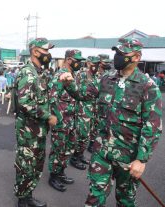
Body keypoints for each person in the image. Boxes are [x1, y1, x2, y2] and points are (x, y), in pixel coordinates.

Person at [59, 38, 162, 207]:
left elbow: (153, 127)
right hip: (102, 153)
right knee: (94, 198)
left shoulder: (148, 87)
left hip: (128, 158)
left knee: (125, 201)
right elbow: (83, 95)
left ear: (136, 57)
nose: (117, 57)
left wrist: (141, 159)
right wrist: (69, 84)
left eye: (122, 54)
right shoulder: (106, 79)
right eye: (117, 53)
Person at [14, 38, 57, 207]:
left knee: (36, 165)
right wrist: (48, 116)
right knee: (26, 165)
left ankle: (28, 196)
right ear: (35, 51)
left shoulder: (40, 72)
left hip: (38, 130)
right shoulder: (28, 72)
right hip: (28, 131)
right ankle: (23, 200)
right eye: (46, 51)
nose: (48, 54)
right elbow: (25, 104)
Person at [48, 49, 86, 192]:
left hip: (71, 119)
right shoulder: (60, 75)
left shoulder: (73, 75)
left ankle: (61, 173)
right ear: (69, 59)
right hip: (61, 120)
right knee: (58, 149)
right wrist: (55, 117)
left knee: (68, 148)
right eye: (78, 61)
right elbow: (51, 98)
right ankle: (53, 176)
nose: (80, 63)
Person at [72, 56, 100, 169]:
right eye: (94, 63)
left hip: (93, 110)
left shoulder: (95, 76)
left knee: (88, 135)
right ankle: (75, 158)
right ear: (88, 63)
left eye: (98, 63)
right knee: (82, 135)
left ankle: (80, 155)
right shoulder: (81, 75)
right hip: (83, 109)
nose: (96, 66)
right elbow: (75, 91)